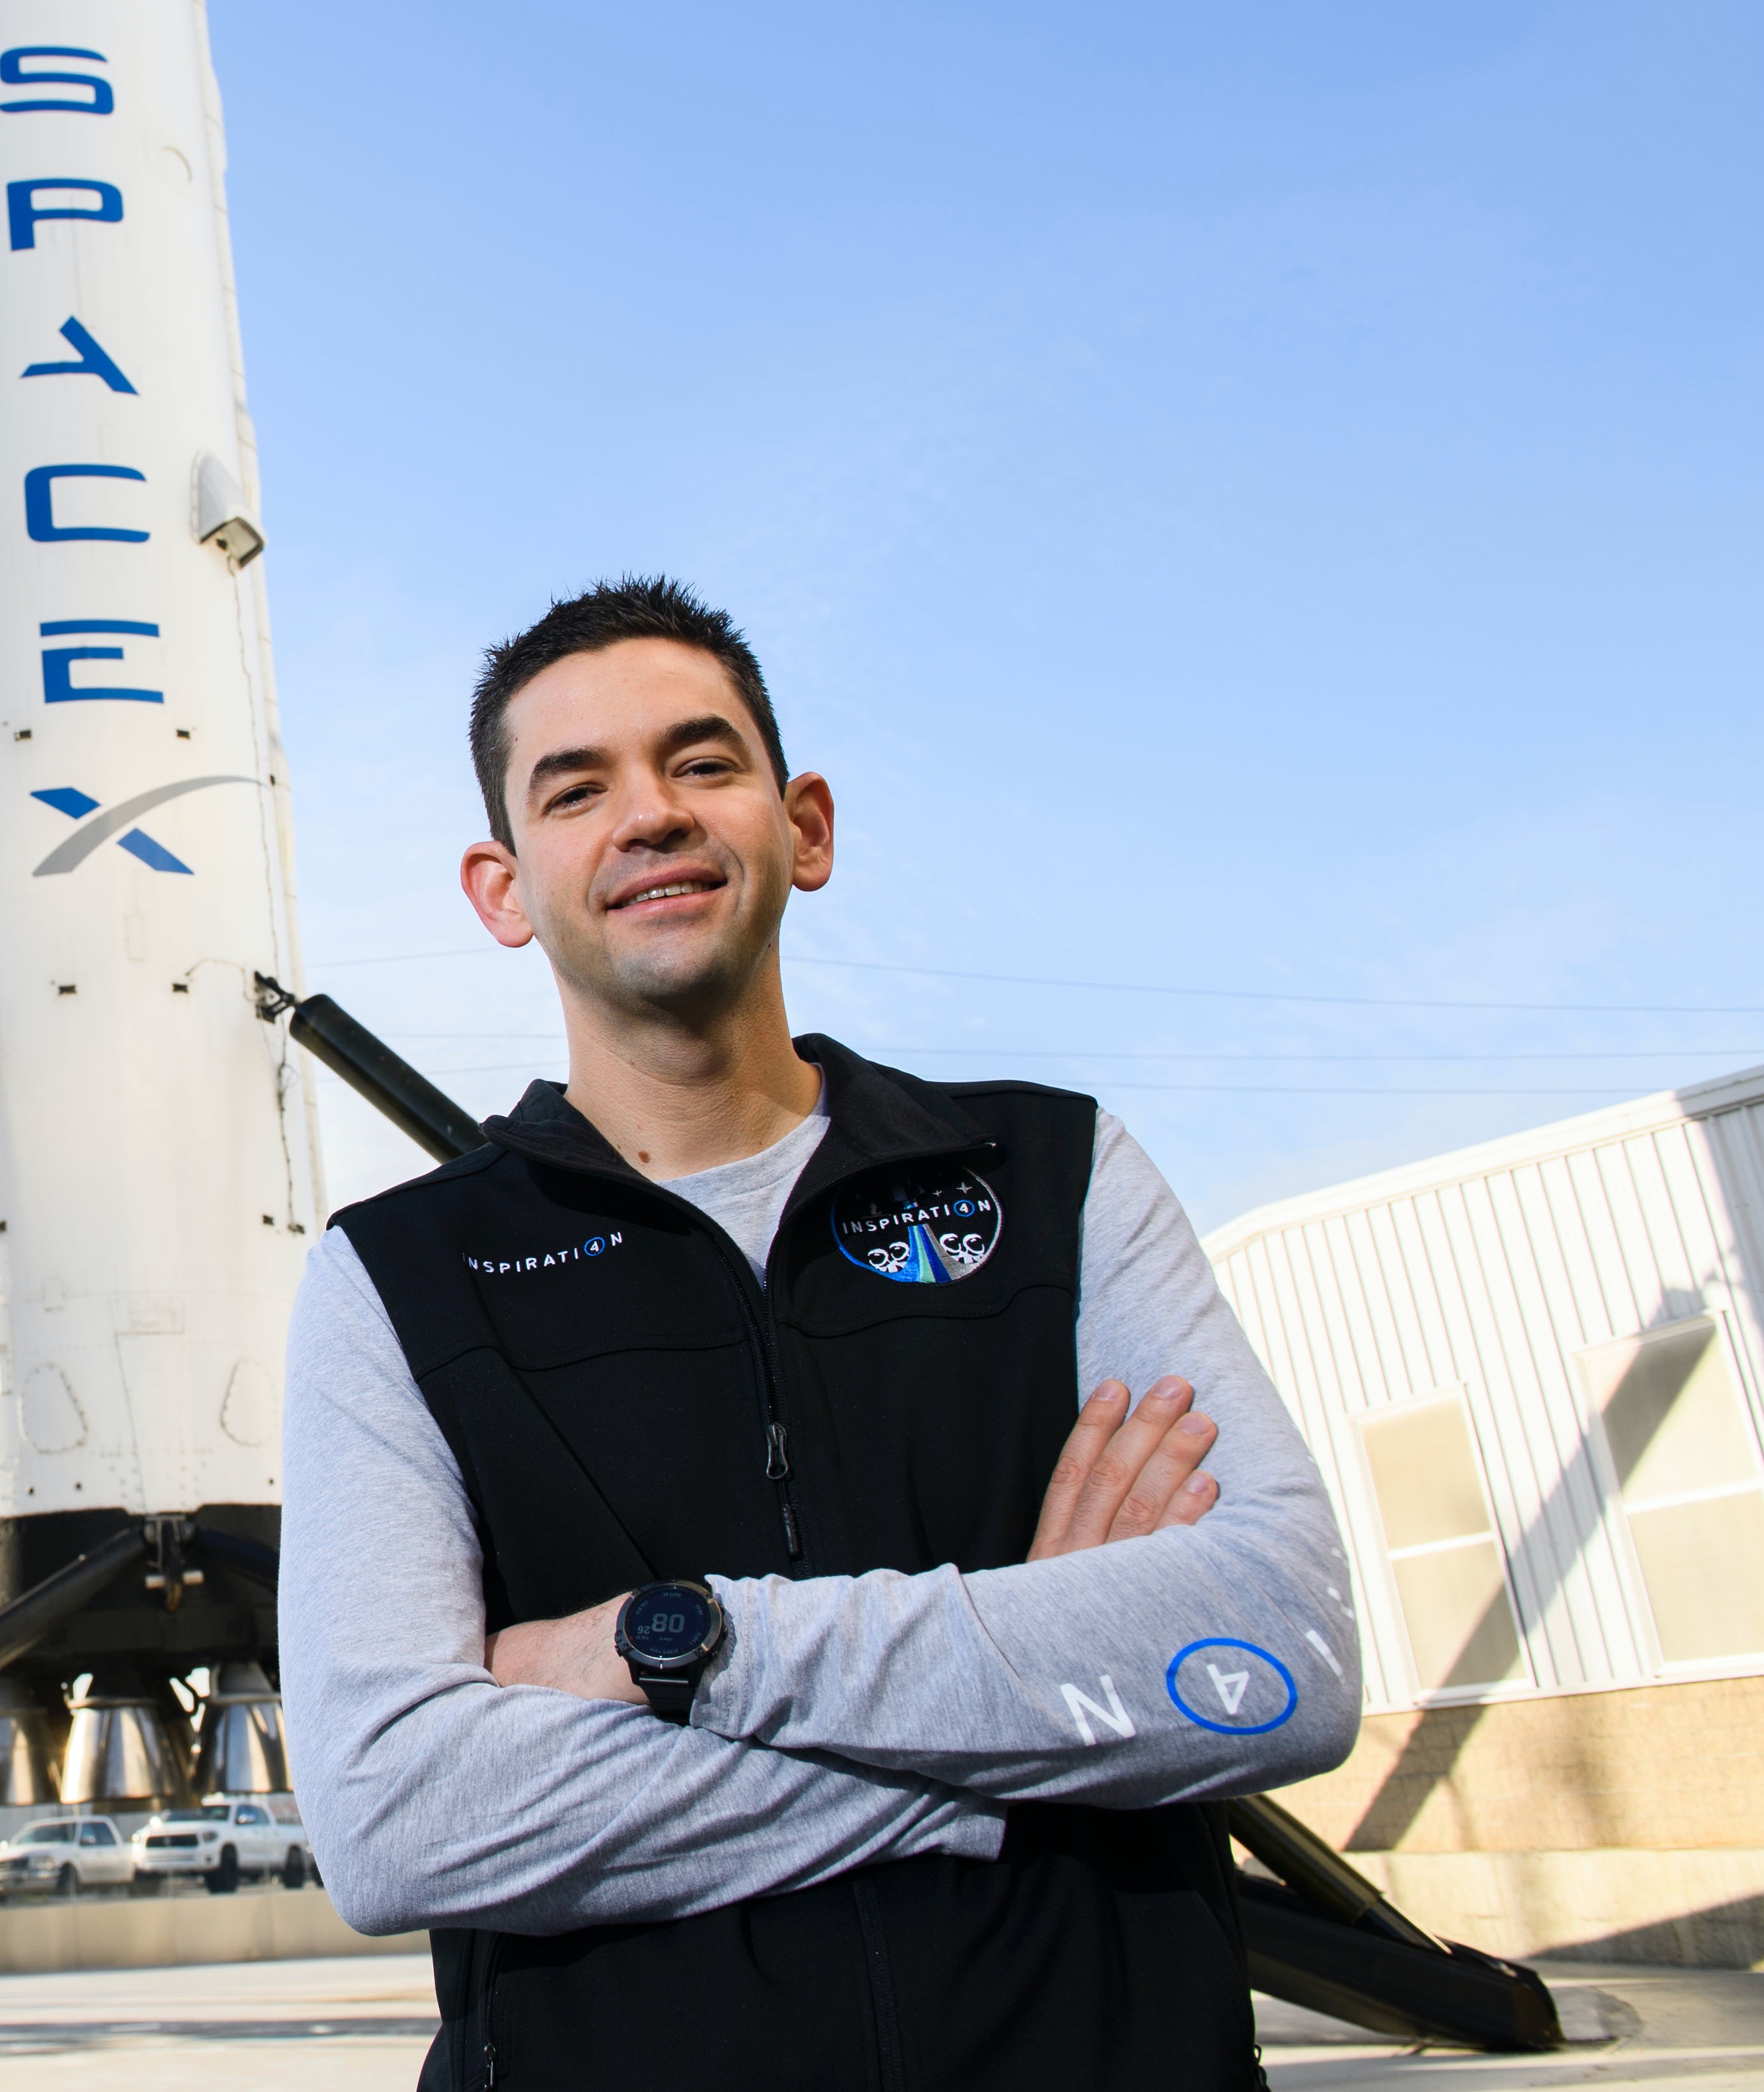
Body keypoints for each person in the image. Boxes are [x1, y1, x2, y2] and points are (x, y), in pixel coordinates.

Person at [277, 577, 1360, 2089]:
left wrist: (680, 1647)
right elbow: (395, 1815)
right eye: (576, 789)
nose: (648, 814)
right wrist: (1033, 1717)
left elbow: (1276, 1655)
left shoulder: (1052, 1176)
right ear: (502, 888)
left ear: (806, 830)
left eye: (701, 763)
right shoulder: (397, 1275)